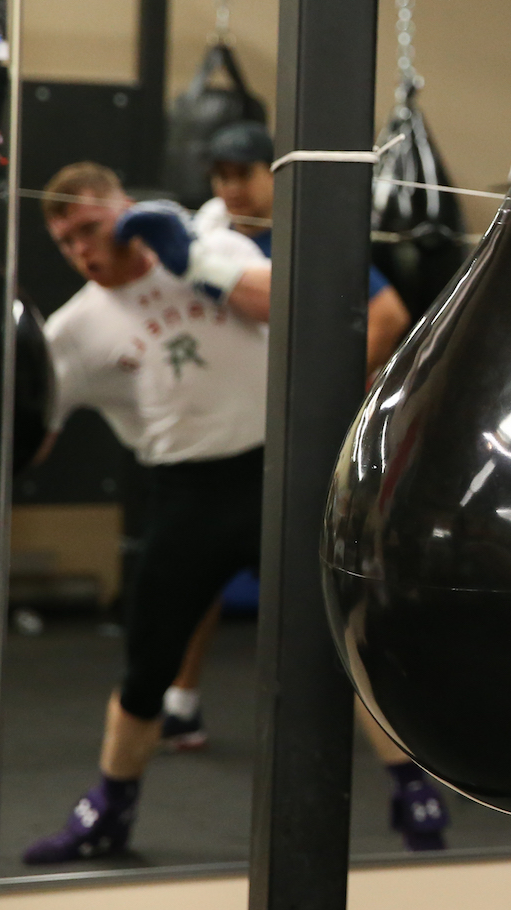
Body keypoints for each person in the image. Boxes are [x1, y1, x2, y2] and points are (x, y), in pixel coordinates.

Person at [158, 121, 448, 852]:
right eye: (220, 176)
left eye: (243, 174)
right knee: (196, 581)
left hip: (300, 450)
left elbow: (389, 316)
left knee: (332, 615)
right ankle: (181, 703)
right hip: (225, 449)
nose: (231, 189)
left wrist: (323, 396)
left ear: (271, 175)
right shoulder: (211, 240)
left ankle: (410, 782)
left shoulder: (307, 240)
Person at [23, 162, 269, 863]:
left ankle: (411, 790)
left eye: (90, 228)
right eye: (65, 241)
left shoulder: (210, 249)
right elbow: (30, 438)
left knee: (336, 645)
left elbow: (296, 304)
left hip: (276, 475)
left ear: (126, 210)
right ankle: (109, 812)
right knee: (146, 664)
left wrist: (195, 266)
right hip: (185, 494)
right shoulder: (71, 330)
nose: (80, 250)